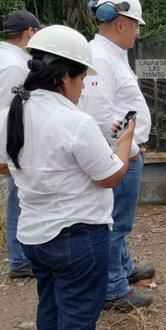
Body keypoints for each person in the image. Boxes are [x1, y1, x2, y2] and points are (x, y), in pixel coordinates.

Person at [0, 24, 134, 329]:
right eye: (82, 78)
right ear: (64, 78)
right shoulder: (76, 122)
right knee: (78, 316)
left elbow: (3, 164)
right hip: (78, 237)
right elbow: (109, 177)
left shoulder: (11, 114)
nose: (83, 87)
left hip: (34, 236)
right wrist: (124, 143)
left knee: (50, 307)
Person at [80, 0, 154, 311]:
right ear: (120, 24)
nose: (137, 31)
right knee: (113, 223)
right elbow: (99, 115)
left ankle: (123, 267)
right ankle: (113, 288)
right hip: (118, 155)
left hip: (124, 151)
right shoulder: (99, 57)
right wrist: (131, 150)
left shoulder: (112, 55)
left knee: (119, 220)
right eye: (136, 25)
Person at [0, 10, 42, 279]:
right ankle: (19, 259)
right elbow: (6, 110)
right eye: (36, 32)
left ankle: (20, 256)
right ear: (29, 32)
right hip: (9, 141)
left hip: (8, 141)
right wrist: (8, 154)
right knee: (19, 198)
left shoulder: (6, 57)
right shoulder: (15, 65)